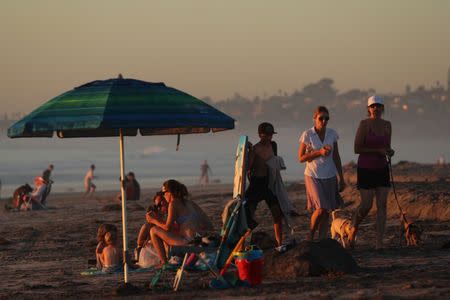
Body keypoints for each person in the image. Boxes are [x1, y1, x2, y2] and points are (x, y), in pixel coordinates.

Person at [351, 96, 395, 249]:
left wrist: (389, 151)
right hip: (366, 169)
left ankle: (379, 243)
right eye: (373, 106)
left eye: (378, 106)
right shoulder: (364, 124)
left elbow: (387, 146)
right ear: (368, 109)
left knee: (382, 205)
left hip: (382, 168)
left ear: (383, 108)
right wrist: (377, 150)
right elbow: (357, 148)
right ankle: (353, 227)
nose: (376, 108)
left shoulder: (387, 125)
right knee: (366, 205)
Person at [298, 106, 345, 241]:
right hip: (313, 175)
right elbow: (301, 158)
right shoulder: (307, 134)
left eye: (326, 118)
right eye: (321, 118)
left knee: (326, 211)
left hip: (330, 175)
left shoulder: (332, 134)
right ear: (315, 119)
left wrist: (341, 177)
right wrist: (319, 152)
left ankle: (322, 239)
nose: (324, 121)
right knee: (320, 209)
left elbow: (336, 156)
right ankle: (311, 234)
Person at [147, 179, 214, 266]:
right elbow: (209, 224)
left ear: (170, 192)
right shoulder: (190, 203)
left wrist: (153, 220)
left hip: (188, 243)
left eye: (164, 193)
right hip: (200, 241)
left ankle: (164, 263)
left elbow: (167, 227)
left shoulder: (173, 204)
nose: (163, 196)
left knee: (153, 230)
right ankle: (173, 257)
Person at [245, 122, 285, 249]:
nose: (269, 138)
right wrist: (249, 151)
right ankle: (242, 244)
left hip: (268, 184)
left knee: (277, 213)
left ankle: (279, 243)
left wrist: (278, 183)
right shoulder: (255, 149)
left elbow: (275, 164)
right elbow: (248, 167)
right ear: (260, 135)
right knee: (247, 216)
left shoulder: (273, 145)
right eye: (266, 135)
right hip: (256, 184)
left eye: (271, 135)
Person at [134, 191, 170, 261]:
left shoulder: (166, 220)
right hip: (149, 248)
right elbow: (139, 242)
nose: (160, 209)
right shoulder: (146, 226)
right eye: (158, 206)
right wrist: (148, 242)